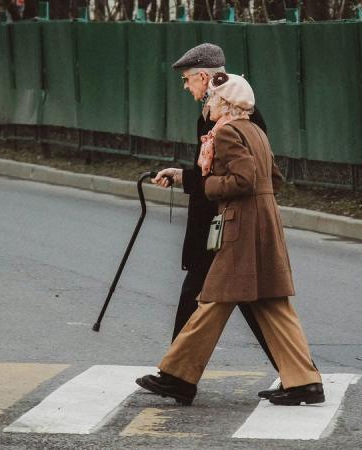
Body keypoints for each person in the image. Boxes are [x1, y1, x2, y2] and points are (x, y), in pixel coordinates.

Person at [137, 73, 325, 406]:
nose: (206, 103)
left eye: (211, 98)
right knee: (272, 304)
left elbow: (244, 179)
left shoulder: (226, 133)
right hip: (264, 223)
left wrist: (210, 188)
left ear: (224, 103)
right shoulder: (254, 132)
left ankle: (178, 377)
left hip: (240, 228)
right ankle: (305, 383)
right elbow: (274, 178)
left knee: (212, 300)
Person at [152, 44, 282, 399]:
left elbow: (239, 177)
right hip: (221, 224)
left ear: (205, 77)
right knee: (223, 299)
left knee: (225, 299)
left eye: (187, 80)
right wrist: (182, 176)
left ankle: (177, 376)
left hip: (227, 226)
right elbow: (209, 172)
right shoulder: (218, 116)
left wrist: (187, 178)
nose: (186, 87)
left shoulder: (230, 120)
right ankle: (176, 377)